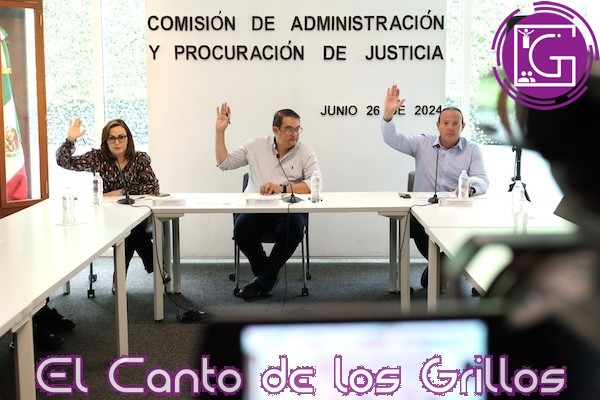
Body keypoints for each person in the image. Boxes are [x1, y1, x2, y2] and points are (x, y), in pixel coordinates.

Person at [380, 84, 489, 290]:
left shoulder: (472, 150)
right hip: (424, 211)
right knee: (414, 224)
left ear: (463, 126)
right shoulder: (422, 143)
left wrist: (470, 188)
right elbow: (392, 139)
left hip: (457, 211)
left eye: (455, 123)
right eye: (445, 123)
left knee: (475, 230)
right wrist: (388, 115)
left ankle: (438, 270)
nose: (450, 127)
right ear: (437, 125)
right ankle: (442, 268)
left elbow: (483, 179)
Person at [215, 103, 321, 300]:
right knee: (241, 229)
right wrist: (220, 131)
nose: (294, 134)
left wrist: (282, 188)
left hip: (288, 210)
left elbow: (314, 183)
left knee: (294, 228)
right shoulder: (255, 146)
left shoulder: (305, 152)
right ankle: (267, 276)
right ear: (275, 130)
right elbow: (224, 163)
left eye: (298, 129)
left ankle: (262, 280)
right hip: (256, 209)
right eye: (289, 129)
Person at [56, 118, 170, 293]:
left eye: (121, 137)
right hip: (107, 217)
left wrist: (120, 191)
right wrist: (70, 140)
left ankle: (118, 278)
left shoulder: (140, 159)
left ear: (128, 139)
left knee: (130, 230)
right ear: (106, 141)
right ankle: (157, 268)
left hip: (137, 215)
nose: (117, 142)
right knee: (130, 230)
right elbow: (64, 162)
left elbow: (153, 187)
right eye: (112, 138)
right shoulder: (97, 158)